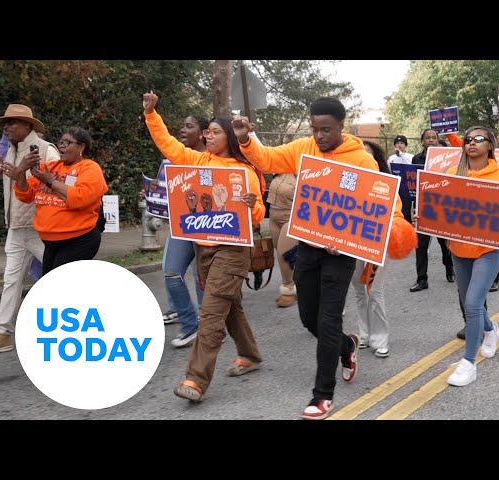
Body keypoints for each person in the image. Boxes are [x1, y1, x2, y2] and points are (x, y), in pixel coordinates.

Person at [232, 97, 416, 420]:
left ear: (341, 126)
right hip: (309, 245)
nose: (319, 136)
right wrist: (246, 139)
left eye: (326, 129)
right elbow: (268, 159)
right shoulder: (304, 147)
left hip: (341, 253)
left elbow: (377, 206)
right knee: (308, 318)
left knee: (329, 319)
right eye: (314, 129)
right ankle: (346, 347)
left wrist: (349, 238)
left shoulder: (361, 159)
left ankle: (322, 395)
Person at [143, 91, 265, 403]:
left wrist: (252, 206)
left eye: (215, 131)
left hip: (233, 250)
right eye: (207, 131)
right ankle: (250, 355)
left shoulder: (245, 171)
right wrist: (151, 114)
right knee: (230, 306)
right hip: (204, 249)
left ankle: (196, 380)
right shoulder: (198, 160)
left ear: (229, 138)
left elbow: (257, 213)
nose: (208, 136)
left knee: (211, 311)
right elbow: (169, 144)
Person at [444, 126, 499, 387]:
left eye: (478, 139)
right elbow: (441, 209)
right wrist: (426, 217)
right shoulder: (452, 174)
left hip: (488, 249)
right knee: (469, 302)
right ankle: (490, 329)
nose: (472, 143)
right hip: (459, 248)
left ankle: (468, 364)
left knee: (473, 304)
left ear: (490, 145)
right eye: (468, 140)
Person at [0, 104, 59, 353]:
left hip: (40, 227)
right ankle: (3, 332)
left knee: (60, 274)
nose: (6, 128)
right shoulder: (11, 151)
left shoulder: (45, 150)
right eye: (5, 123)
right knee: (11, 280)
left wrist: (28, 176)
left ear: (27, 126)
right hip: (17, 227)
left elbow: (59, 184)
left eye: (12, 123)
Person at [7, 126, 107, 274]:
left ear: (81, 146)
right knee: (52, 285)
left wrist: (50, 182)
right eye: (61, 142)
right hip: (50, 242)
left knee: (58, 285)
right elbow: (26, 195)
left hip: (79, 240)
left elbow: (80, 198)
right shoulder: (50, 167)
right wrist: (20, 175)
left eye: (67, 142)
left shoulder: (90, 168)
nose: (61, 145)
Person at [151, 114, 209, 348]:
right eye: (182, 125)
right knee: (171, 273)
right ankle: (189, 324)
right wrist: (154, 195)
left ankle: (209, 324)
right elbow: (166, 192)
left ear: (203, 132)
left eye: (189, 126)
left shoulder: (213, 158)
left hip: (208, 226)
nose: (183, 130)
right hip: (181, 224)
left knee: (203, 277)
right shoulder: (174, 158)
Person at [350, 140, 392, 358]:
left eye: (367, 155)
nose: (362, 159)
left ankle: (381, 338)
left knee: (374, 290)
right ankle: (364, 335)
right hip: (352, 241)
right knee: (358, 290)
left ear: (376, 160)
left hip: (378, 241)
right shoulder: (347, 181)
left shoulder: (386, 184)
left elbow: (397, 215)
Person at [409, 128, 455, 291]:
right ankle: (422, 279)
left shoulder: (447, 159)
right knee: (420, 244)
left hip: (442, 206)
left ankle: (449, 267)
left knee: (445, 243)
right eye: (427, 138)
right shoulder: (416, 159)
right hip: (423, 207)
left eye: (434, 138)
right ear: (422, 141)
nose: (431, 140)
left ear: (437, 140)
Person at [267, 172, 299, 307]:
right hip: (273, 215)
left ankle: (288, 289)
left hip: (291, 216)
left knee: (283, 253)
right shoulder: (279, 167)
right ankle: (299, 284)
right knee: (280, 250)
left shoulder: (304, 170)